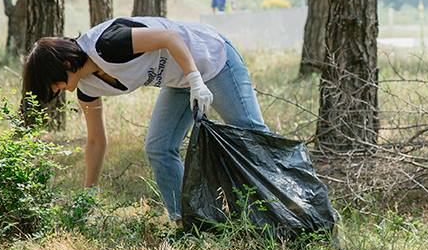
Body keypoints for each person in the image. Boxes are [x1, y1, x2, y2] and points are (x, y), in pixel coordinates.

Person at [21, 17, 267, 220]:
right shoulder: (87, 88)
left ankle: (280, 210)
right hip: (179, 80)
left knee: (251, 135)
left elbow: (169, 37)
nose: (56, 91)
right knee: (159, 147)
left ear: (65, 63)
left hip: (211, 57)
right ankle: (189, 221)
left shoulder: (108, 43)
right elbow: (96, 141)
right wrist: (89, 193)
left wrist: (195, 80)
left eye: (53, 84)